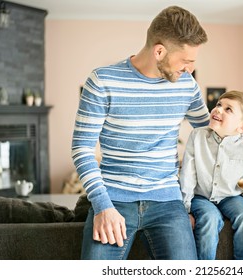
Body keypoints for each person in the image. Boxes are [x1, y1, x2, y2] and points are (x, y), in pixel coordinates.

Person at [71, 6, 209, 260]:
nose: (190, 69)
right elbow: (82, 148)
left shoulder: (186, 85)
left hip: (167, 201)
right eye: (186, 61)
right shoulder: (102, 81)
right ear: (159, 51)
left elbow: (212, 136)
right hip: (113, 199)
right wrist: (102, 206)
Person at [179, 90, 243, 260]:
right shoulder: (198, 136)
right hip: (200, 197)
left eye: (228, 109)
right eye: (219, 104)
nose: (218, 109)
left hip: (230, 196)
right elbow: (187, 175)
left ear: (242, 127)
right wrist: (185, 210)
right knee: (210, 218)